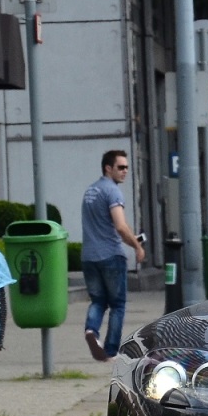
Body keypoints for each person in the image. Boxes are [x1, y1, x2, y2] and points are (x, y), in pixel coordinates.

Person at [81, 149, 145, 361]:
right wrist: (137, 246)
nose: (125, 171)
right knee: (117, 305)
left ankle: (91, 331)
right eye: (121, 167)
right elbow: (120, 226)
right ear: (108, 168)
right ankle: (110, 350)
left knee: (98, 301)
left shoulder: (91, 191)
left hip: (89, 256)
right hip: (110, 255)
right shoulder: (113, 192)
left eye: (127, 167)